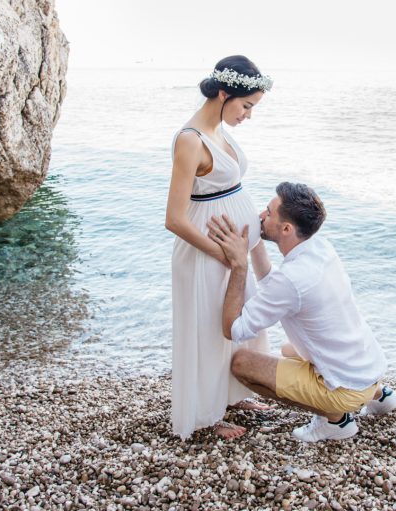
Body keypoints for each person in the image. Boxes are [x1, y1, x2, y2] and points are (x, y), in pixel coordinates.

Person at [207, 182, 396, 442]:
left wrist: (239, 265)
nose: (261, 216)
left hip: (346, 388)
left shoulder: (292, 280)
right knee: (289, 349)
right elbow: (273, 284)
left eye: (268, 212)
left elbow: (233, 329)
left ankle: (336, 420)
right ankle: (380, 396)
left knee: (242, 364)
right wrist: (254, 242)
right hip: (367, 366)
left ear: (287, 228)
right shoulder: (320, 249)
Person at [165, 56, 273, 440]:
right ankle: (204, 417)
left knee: (237, 325)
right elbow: (174, 218)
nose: (248, 115)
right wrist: (222, 253)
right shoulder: (190, 140)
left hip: (233, 253)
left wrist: (246, 251)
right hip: (208, 254)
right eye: (246, 106)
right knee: (209, 332)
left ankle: (234, 392)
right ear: (225, 94)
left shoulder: (221, 132)